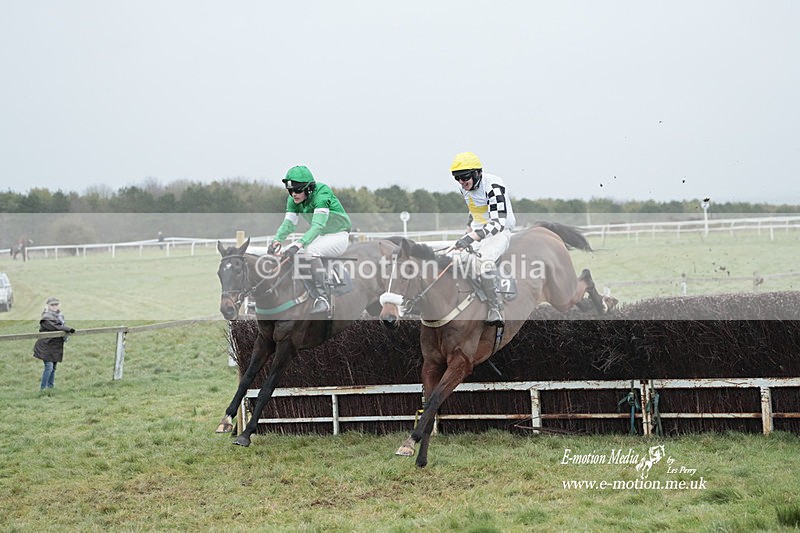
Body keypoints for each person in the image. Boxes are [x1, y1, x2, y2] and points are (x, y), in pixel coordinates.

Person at [267, 165, 352, 314]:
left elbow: (317, 226)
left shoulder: (322, 194)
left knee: (310, 251)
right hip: (321, 236)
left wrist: (299, 244)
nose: (294, 194)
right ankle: (304, 292)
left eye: (298, 190)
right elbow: (288, 225)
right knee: (290, 252)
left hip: (339, 235)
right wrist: (277, 240)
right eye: (291, 190)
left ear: (309, 188)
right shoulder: (292, 200)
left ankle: (323, 298)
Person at [449, 151, 516, 327]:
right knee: (454, 259)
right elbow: (474, 211)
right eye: (457, 178)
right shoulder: (464, 189)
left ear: (476, 173)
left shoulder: (493, 186)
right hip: (479, 234)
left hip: (499, 233)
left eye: (464, 177)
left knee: (483, 262)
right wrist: (467, 233)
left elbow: (498, 223)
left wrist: (470, 238)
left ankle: (495, 309)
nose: (462, 182)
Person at [33, 297, 76, 391]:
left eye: (56, 304)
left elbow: (59, 325)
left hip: (55, 346)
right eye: (52, 305)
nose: (54, 306)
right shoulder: (46, 317)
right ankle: (43, 389)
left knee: (54, 367)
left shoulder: (60, 316)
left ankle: (51, 388)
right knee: (49, 367)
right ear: (48, 305)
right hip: (45, 345)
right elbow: (55, 326)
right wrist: (68, 329)